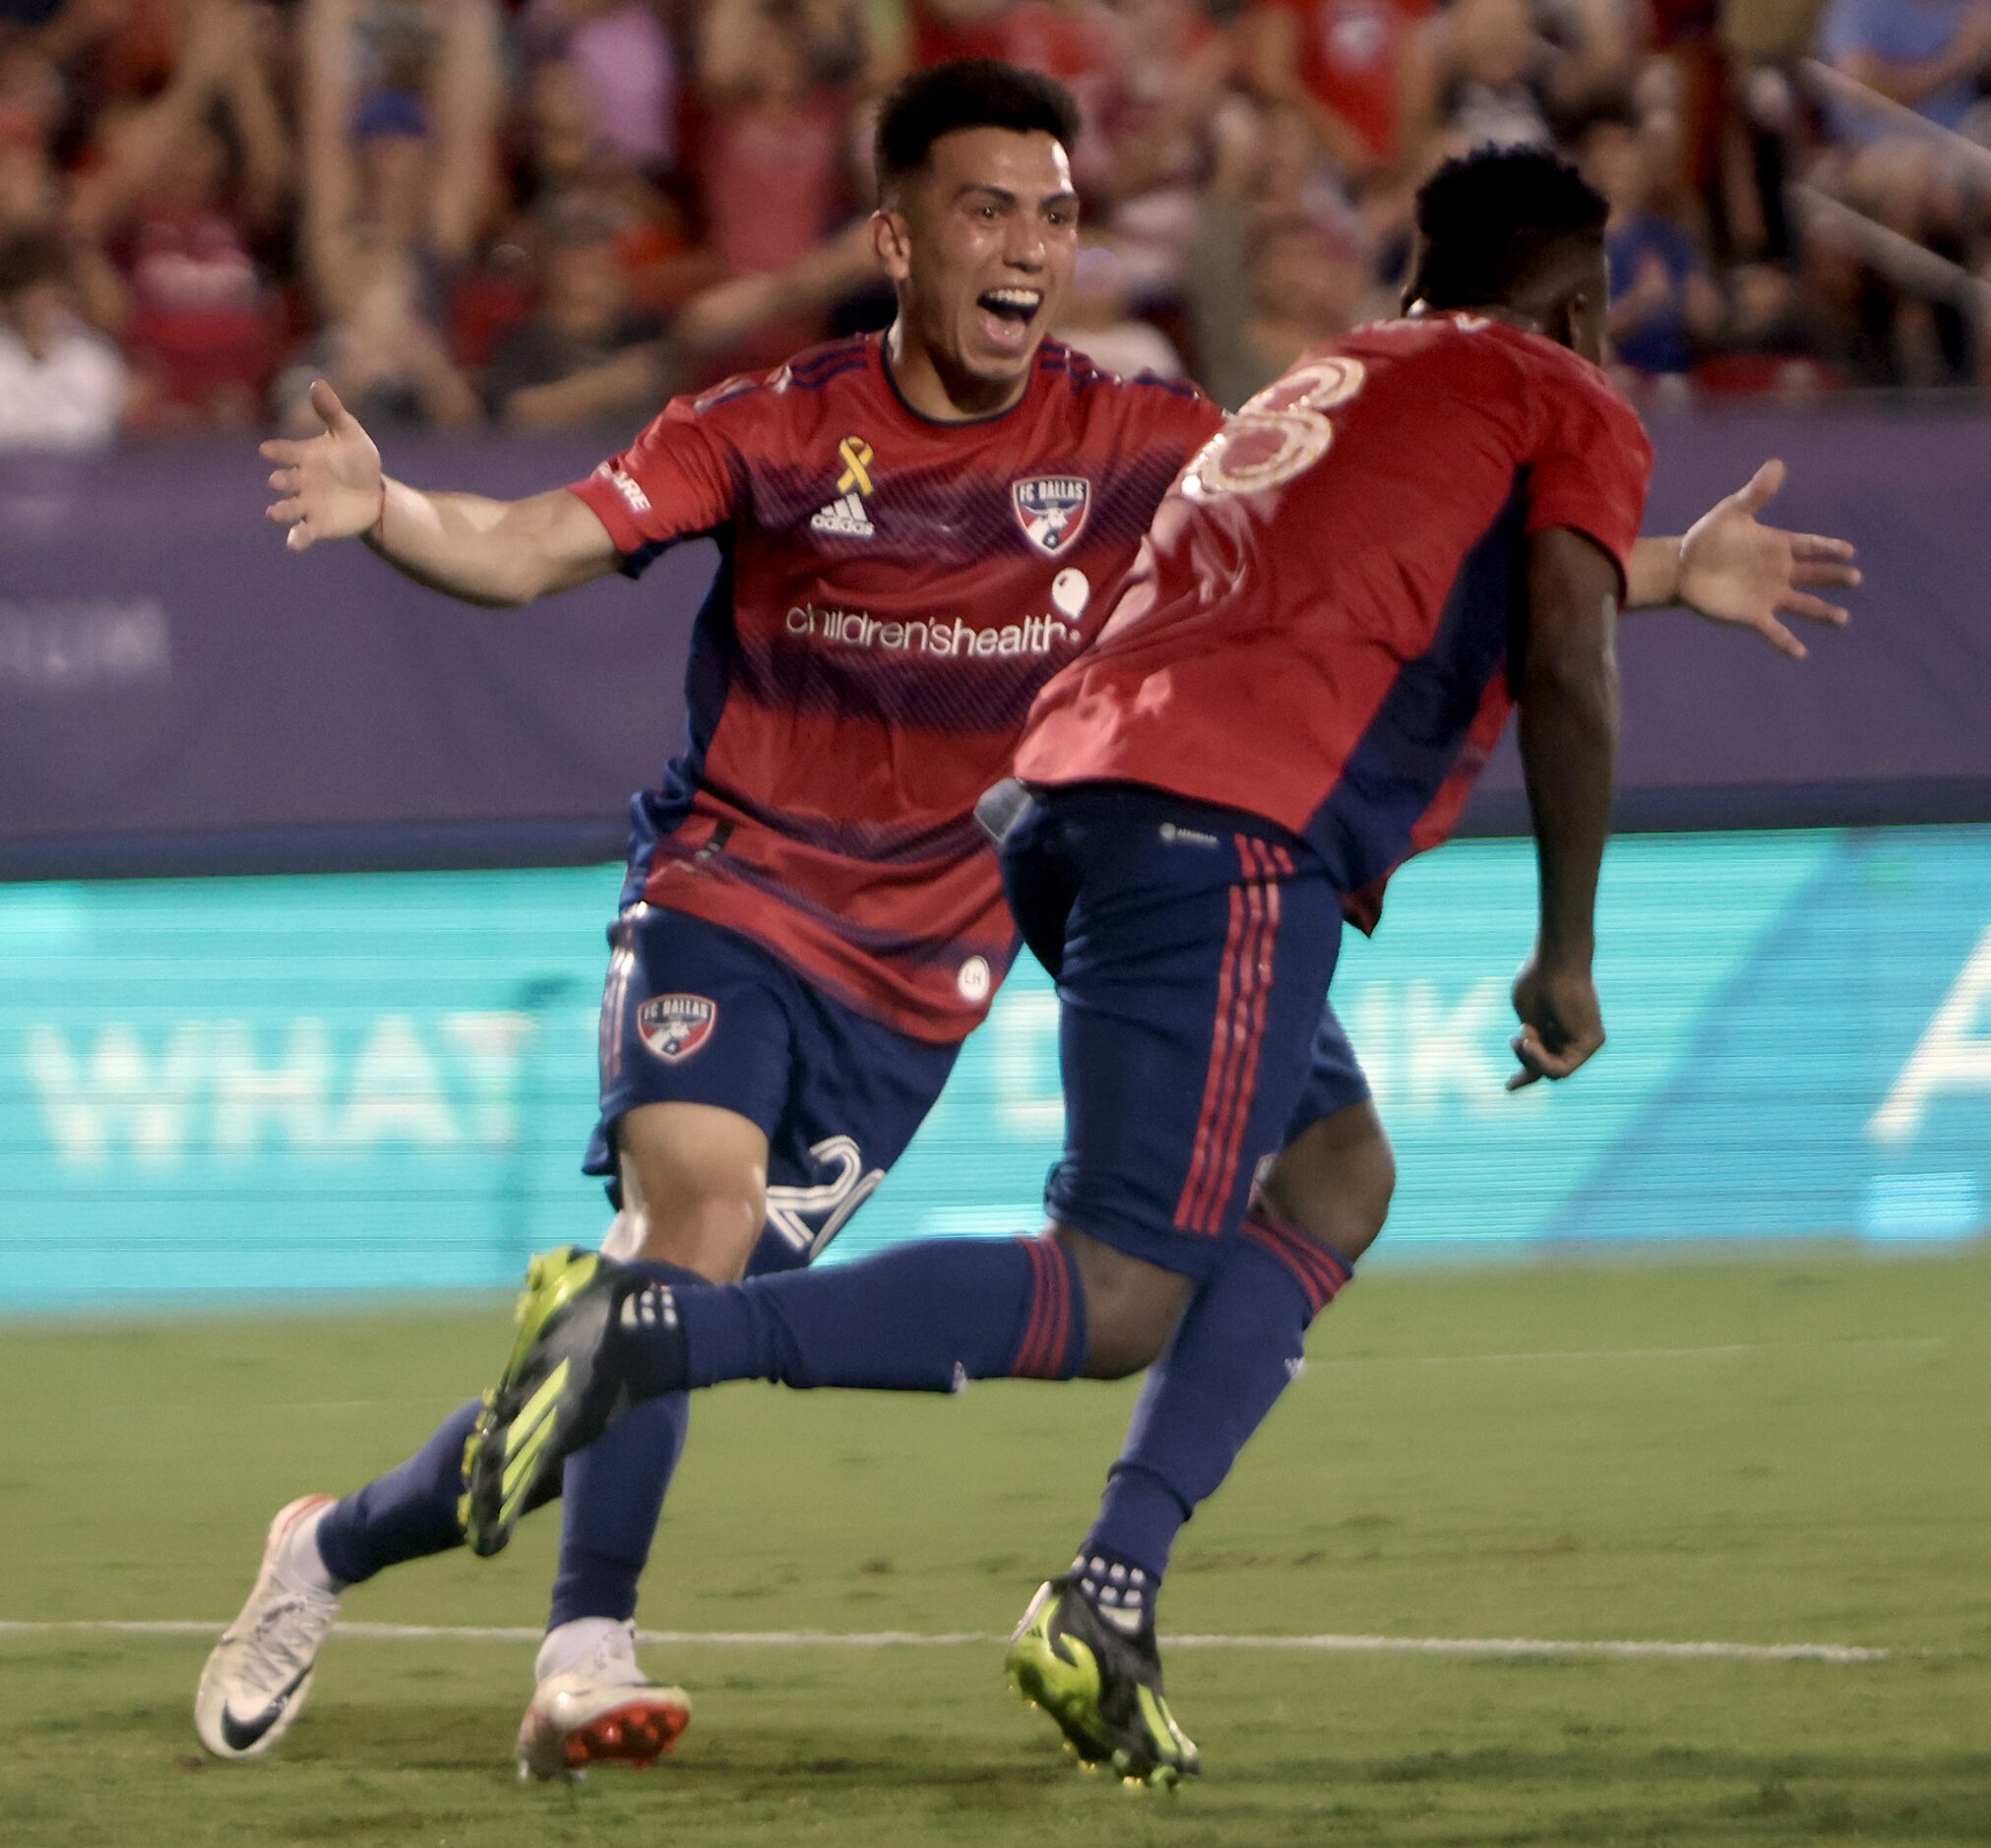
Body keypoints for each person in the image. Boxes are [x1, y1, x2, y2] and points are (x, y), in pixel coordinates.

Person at [200, 61, 1856, 1781]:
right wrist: (388, 509)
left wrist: (1671, 572)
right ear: (897, 237)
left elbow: (1359, 550)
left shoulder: (1132, 434)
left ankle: (326, 1547)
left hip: (943, 949)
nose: (1030, 247)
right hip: (738, 893)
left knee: (685, 1321)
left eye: (1056, 214)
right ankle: (583, 1649)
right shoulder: (773, 424)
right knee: (688, 1241)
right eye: (989, 209)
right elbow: (534, 539)